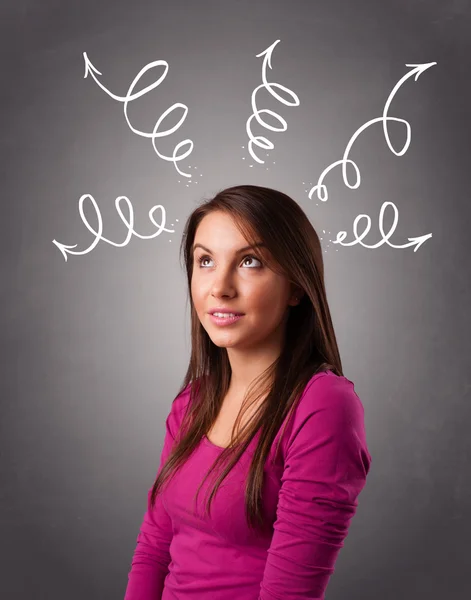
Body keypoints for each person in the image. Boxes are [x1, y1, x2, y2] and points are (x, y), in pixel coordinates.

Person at [124, 184, 372, 599]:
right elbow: (154, 548)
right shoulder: (192, 402)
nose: (219, 286)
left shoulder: (324, 405)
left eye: (250, 262)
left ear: (296, 287)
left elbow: (289, 593)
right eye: (205, 261)